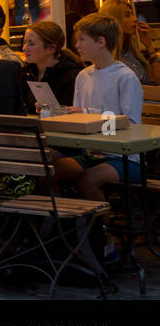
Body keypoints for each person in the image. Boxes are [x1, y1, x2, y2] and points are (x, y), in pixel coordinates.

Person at [56, 14, 144, 201]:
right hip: (92, 153)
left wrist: (89, 114)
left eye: (82, 40)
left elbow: (133, 125)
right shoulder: (83, 76)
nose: (77, 45)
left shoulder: (125, 77)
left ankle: (99, 228)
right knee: (49, 171)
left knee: (87, 180)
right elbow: (78, 120)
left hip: (124, 158)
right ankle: (61, 223)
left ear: (101, 42)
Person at [21, 21, 82, 111]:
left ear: (51, 48)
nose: (24, 48)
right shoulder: (26, 72)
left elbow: (71, 112)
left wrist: (52, 110)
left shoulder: (70, 76)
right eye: (24, 42)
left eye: (31, 44)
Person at [98, 0, 159, 84]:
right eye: (127, 15)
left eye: (133, 14)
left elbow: (157, 82)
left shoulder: (132, 52)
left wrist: (149, 46)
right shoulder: (106, 57)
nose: (135, 19)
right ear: (114, 20)